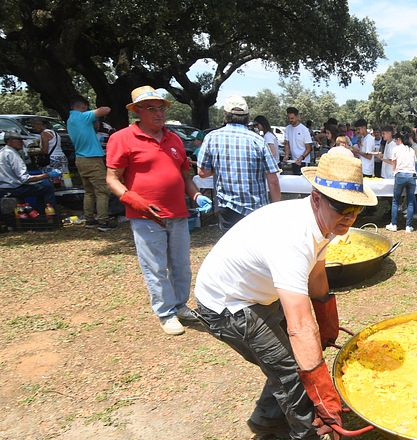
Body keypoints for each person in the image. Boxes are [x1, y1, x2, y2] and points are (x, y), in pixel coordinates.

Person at [193, 147, 377, 440]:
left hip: (256, 294)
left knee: (286, 357)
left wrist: (327, 320)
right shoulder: (292, 237)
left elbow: (317, 274)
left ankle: (266, 419)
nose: (350, 216)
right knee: (292, 366)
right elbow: (300, 328)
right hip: (227, 304)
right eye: (342, 207)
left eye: (356, 208)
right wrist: (324, 392)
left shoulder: (324, 223)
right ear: (316, 198)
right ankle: (307, 434)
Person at [105, 86, 213, 336]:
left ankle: (180, 305)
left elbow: (185, 176)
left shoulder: (173, 139)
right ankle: (166, 313)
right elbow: (112, 178)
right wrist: (131, 199)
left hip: (178, 213)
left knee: (181, 265)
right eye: (151, 108)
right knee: (155, 266)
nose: (158, 113)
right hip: (147, 216)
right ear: (137, 111)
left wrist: (196, 196)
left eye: (161, 107)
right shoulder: (122, 138)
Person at [197, 95, 281, 233]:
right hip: (255, 209)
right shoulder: (258, 140)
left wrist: (221, 168)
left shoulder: (212, 137)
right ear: (247, 117)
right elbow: (273, 180)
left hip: (227, 207)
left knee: (231, 245)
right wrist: (276, 208)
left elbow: (202, 172)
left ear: (225, 115)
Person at [67, 95, 113, 230]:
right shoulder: (83, 116)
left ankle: (89, 219)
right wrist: (91, 112)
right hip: (92, 158)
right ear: (82, 107)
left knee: (89, 192)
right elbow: (106, 109)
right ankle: (103, 221)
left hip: (80, 159)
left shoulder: (70, 120)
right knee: (102, 191)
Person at [0, 132, 59, 214]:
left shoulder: (3, 151)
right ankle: (49, 214)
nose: (22, 142)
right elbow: (25, 179)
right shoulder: (12, 154)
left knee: (41, 185)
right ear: (9, 141)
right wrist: (48, 175)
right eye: (19, 140)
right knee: (47, 187)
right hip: (12, 188)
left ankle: (40, 212)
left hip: (4, 187)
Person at [382, 131, 417, 233]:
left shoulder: (396, 149)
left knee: (395, 201)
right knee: (410, 201)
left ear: (399, 139)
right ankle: (409, 226)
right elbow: (413, 162)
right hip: (411, 175)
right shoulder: (411, 150)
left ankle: (394, 224)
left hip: (400, 175)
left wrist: (394, 172)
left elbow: (394, 163)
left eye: (396, 140)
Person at [282, 106, 313, 176]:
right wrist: (286, 155)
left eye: (292, 118)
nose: (290, 120)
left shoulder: (304, 130)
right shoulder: (287, 128)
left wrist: (302, 157)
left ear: (297, 117)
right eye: (289, 118)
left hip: (304, 161)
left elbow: (309, 148)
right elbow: (287, 144)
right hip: (293, 161)